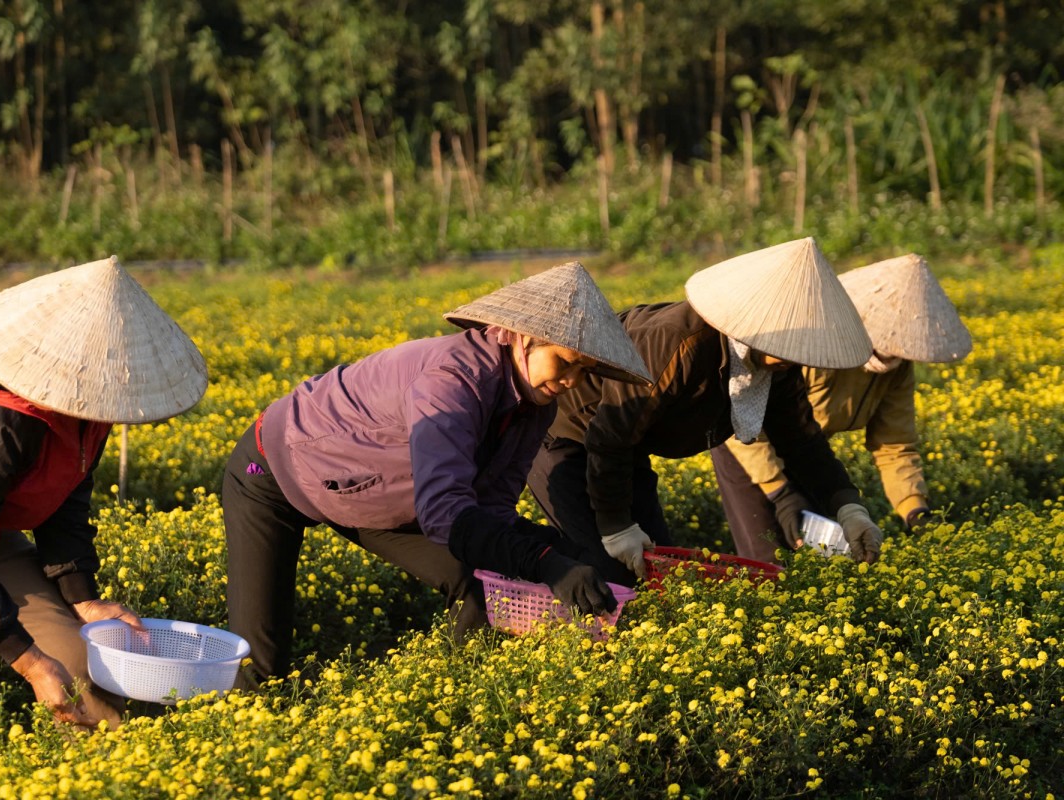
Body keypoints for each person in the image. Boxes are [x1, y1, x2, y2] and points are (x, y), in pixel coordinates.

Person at [222, 262, 652, 687]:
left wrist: (563, 553)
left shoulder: (535, 406)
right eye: (567, 362)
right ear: (525, 339)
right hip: (275, 469)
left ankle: (459, 705)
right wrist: (545, 563)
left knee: (479, 584)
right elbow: (447, 514)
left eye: (585, 372)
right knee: (261, 665)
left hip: (372, 490)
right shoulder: (452, 379)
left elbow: (492, 508)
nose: (573, 381)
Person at [0, 256, 208, 770]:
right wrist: (28, 663)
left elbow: (65, 497)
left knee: (81, 672)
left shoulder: (90, 399)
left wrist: (83, 599)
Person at [527, 237, 887, 582]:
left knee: (656, 569)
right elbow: (610, 435)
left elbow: (801, 441)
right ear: (757, 329)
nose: (795, 358)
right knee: (604, 573)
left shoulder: (778, 367)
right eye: (789, 346)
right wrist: (616, 527)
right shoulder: (677, 343)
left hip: (625, 452)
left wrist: (849, 508)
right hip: (568, 437)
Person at [710, 254, 971, 560]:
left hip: (807, 453)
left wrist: (916, 510)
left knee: (818, 552)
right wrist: (779, 491)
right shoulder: (821, 351)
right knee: (769, 557)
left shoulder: (897, 370)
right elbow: (745, 408)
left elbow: (894, 444)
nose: (892, 357)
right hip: (746, 440)